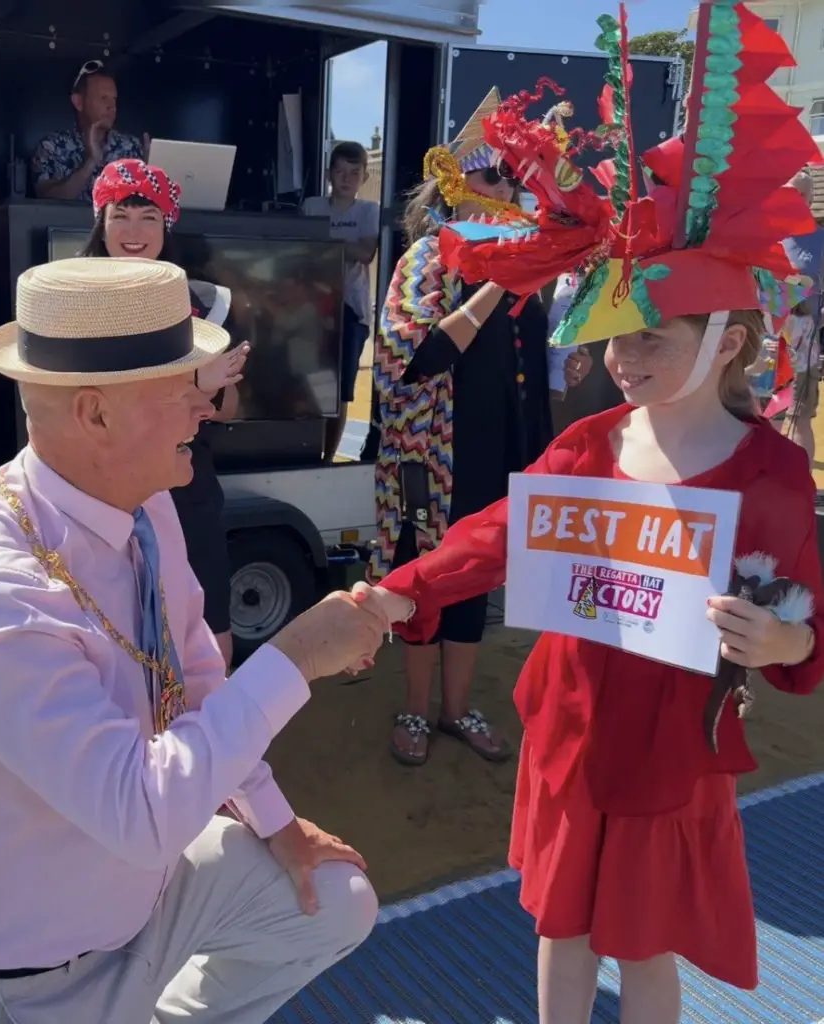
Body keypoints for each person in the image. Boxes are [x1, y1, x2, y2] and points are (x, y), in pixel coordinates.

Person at [350, 8, 824, 1021]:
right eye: (613, 327)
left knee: (642, 948)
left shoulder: (772, 478)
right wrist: (399, 591)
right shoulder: (587, 442)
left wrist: (781, 634)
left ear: (727, 343)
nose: (620, 354)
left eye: (651, 334)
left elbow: (799, 623)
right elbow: (492, 536)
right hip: (565, 737)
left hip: (667, 758)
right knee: (558, 928)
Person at [0, 257, 385, 1022]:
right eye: (182, 385)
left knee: (335, 898)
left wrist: (276, 823)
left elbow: (197, 676)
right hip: (34, 977)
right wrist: (298, 657)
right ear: (96, 414)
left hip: (139, 901)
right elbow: (142, 818)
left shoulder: (142, 506)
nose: (203, 407)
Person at [369, 87, 591, 767]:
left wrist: (566, 360)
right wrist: (496, 279)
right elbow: (412, 357)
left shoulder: (529, 265)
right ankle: (412, 706)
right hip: (433, 455)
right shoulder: (427, 260)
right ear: (454, 182)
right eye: (490, 175)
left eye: (510, 177)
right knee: (422, 578)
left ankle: (455, 709)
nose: (503, 188)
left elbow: (529, 369)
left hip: (496, 449)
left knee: (472, 582)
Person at [84, 158, 241, 670]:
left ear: (166, 225)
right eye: (120, 216)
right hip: (102, 485)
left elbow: (227, 410)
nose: (133, 232)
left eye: (148, 217)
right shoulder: (72, 299)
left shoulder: (206, 305)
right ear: (100, 223)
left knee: (208, 624)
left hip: (186, 481)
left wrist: (210, 390)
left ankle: (212, 731)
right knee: (115, 630)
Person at [302, 141, 380, 461]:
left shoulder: (369, 211)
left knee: (340, 393)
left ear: (364, 176)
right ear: (328, 174)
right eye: (340, 172)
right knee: (310, 386)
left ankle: (328, 458)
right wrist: (344, 246)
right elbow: (301, 251)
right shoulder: (312, 206)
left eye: (354, 173)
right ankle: (305, 454)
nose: (346, 179)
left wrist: (327, 246)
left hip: (351, 311)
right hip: (309, 309)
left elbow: (366, 253)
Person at [31, 60, 145, 202]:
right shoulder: (51, 147)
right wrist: (90, 162)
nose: (112, 107)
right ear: (78, 102)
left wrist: (153, 171)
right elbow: (46, 201)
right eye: (103, 98)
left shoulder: (131, 147)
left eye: (114, 99)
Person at [780, 169, 824, 461]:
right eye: (792, 193)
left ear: (810, 199)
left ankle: (799, 489)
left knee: (800, 415)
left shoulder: (820, 239)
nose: (798, 199)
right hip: (763, 346)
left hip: (804, 347)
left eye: (803, 194)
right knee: (753, 414)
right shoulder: (763, 235)